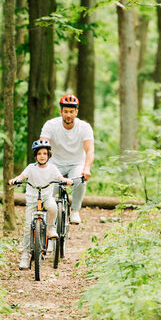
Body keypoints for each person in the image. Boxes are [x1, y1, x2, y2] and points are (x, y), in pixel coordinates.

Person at [9, 139, 73, 270]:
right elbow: (21, 176)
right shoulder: (31, 168)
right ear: (35, 156)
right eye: (39, 154)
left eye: (44, 153)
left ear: (48, 155)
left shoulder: (52, 168)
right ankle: (25, 255)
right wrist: (15, 180)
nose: (42, 156)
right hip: (32, 200)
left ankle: (51, 228)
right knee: (28, 227)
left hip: (46, 197)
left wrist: (66, 181)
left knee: (53, 207)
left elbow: (60, 178)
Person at [40, 94, 94, 225]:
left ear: (76, 112)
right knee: (47, 193)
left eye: (71, 111)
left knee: (80, 180)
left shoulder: (84, 127)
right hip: (55, 164)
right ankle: (48, 225)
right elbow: (42, 145)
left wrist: (86, 169)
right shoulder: (51, 125)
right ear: (60, 112)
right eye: (65, 111)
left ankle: (75, 210)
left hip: (75, 164)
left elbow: (90, 150)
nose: (68, 115)